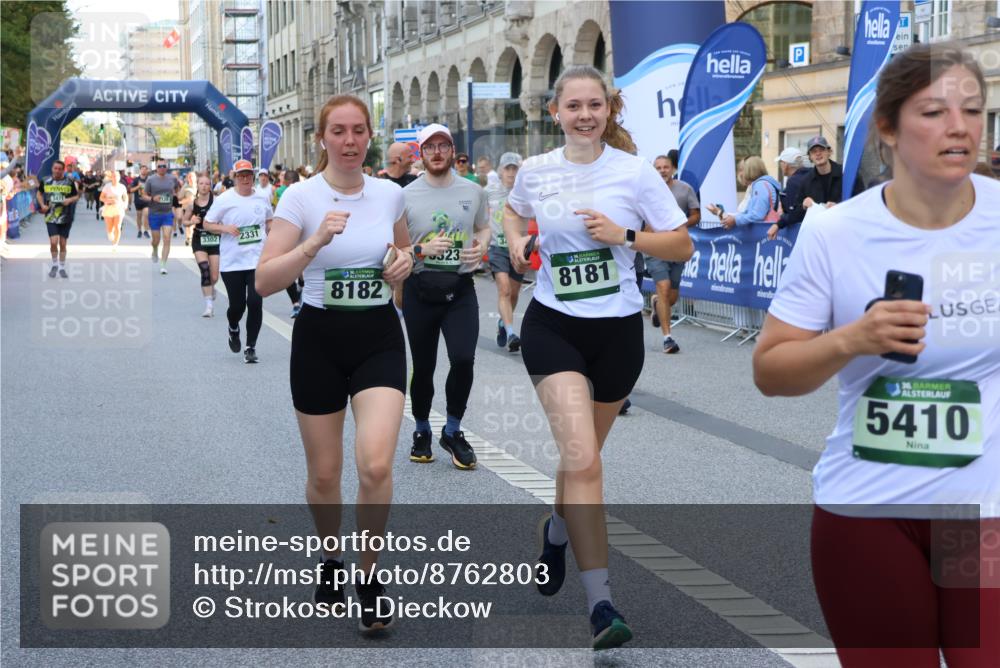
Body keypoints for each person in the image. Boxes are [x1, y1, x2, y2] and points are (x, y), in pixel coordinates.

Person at [752, 43, 999, 667]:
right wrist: (851, 340)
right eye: (935, 112)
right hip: (868, 512)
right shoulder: (836, 232)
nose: (960, 126)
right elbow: (770, 371)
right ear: (887, 127)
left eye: (973, 110)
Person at [503, 65, 692, 650]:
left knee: (578, 461)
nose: (585, 115)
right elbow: (513, 212)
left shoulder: (634, 172)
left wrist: (625, 237)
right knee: (583, 462)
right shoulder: (535, 172)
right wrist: (515, 242)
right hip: (553, 326)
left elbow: (681, 242)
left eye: (595, 105)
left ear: (608, 111)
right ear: (554, 112)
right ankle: (601, 604)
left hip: (615, 335)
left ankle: (556, 531)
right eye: (573, 106)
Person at [255, 94, 413, 633]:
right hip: (319, 339)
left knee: (375, 465)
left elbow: (401, 256)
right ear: (321, 138)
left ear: (370, 136)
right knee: (325, 475)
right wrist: (315, 242)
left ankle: (369, 579)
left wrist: (403, 266)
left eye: (358, 131)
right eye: (338, 131)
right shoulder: (299, 198)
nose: (349, 141)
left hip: (378, 338)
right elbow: (264, 280)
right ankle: (330, 559)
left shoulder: (391, 195)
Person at [401, 123, 490, 470]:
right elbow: (392, 246)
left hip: (461, 288)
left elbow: (483, 226)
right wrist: (421, 248)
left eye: (443, 146)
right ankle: (422, 429)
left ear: (453, 151)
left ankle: (452, 430)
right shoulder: (405, 196)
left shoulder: (473, 190)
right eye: (429, 147)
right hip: (419, 288)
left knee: (464, 359)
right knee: (424, 366)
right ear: (420, 154)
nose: (437, 152)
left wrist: (480, 246)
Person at [202, 160, 273, 363]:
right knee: (237, 306)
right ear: (234, 177)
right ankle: (233, 327)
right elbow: (207, 223)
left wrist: (272, 230)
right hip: (233, 262)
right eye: (241, 176)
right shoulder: (225, 199)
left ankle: (251, 347)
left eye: (248, 175)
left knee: (255, 302)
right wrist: (225, 229)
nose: (245, 179)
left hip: (257, 259)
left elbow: (269, 220)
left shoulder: (262, 197)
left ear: (253, 176)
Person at [649, 150, 700, 353]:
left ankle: (656, 303)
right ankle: (667, 338)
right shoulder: (646, 190)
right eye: (658, 168)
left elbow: (696, 215)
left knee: (671, 296)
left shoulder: (684, 189)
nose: (662, 171)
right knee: (663, 286)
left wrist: (678, 225)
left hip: (676, 246)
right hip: (653, 245)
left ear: (673, 169)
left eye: (666, 167)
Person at [486, 152, 525, 351]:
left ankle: (503, 323)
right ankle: (511, 332)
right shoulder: (489, 191)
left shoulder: (525, 192)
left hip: (518, 248)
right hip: (497, 247)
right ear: (500, 170)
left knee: (514, 293)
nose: (511, 173)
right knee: (504, 289)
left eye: (514, 168)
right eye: (507, 168)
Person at [36, 160, 81, 278]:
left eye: (59, 169)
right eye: (55, 168)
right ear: (52, 169)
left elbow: (76, 196)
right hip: (51, 216)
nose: (57, 171)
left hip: (66, 217)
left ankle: (62, 267)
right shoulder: (45, 181)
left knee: (63, 243)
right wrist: (42, 205)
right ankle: (54, 264)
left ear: (63, 170)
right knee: (53, 242)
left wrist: (69, 200)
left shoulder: (69, 181)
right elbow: (39, 194)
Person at [183, 173, 220, 317]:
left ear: (210, 186)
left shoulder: (216, 201)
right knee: (205, 270)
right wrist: (191, 221)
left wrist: (220, 224)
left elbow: (225, 217)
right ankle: (209, 306)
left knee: (214, 276)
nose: (204, 186)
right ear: (197, 186)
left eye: (207, 184)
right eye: (201, 184)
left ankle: (211, 288)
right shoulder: (193, 203)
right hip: (199, 238)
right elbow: (184, 221)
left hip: (214, 238)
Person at [720, 157, 782, 229]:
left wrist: (735, 220)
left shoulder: (760, 185)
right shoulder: (764, 184)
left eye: (744, 169)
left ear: (750, 170)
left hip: (764, 230)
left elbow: (758, 214)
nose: (742, 173)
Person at [143, 161, 181, 274]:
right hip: (154, 213)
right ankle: (154, 249)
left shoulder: (172, 179)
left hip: (167, 213)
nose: (162, 168)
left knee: (167, 238)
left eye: (164, 166)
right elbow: (144, 195)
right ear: (156, 168)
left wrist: (174, 196)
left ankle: (163, 265)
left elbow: (178, 189)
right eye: (160, 166)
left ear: (167, 168)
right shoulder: (150, 179)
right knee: (156, 240)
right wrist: (153, 198)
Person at [769, 146, 811, 240]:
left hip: (803, 233)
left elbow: (795, 213)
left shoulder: (793, 181)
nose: (780, 166)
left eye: (781, 163)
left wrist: (779, 224)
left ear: (785, 165)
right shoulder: (811, 175)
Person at [99, 170, 128, 251]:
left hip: (118, 208)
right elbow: (101, 198)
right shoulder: (107, 186)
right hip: (108, 208)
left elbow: (125, 197)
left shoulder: (122, 187)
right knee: (110, 228)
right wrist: (107, 201)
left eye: (117, 176)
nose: (115, 178)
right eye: (113, 176)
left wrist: (125, 204)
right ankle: (110, 233)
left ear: (119, 177)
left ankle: (115, 245)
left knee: (118, 227)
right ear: (111, 177)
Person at [130, 164, 151, 239]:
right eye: (142, 169)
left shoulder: (150, 179)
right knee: (139, 216)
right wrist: (138, 186)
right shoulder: (136, 180)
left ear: (147, 170)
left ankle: (146, 230)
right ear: (140, 170)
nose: (143, 171)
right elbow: (131, 190)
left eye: (145, 169)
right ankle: (139, 230)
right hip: (138, 201)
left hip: (147, 201)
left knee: (146, 214)